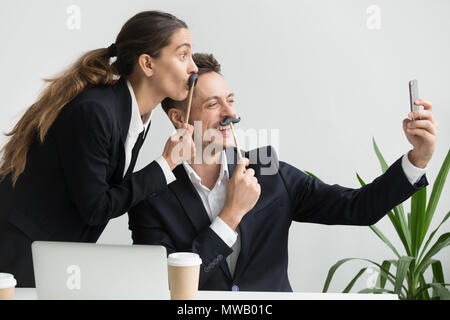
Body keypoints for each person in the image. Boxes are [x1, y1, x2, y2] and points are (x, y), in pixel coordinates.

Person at [128, 53, 437, 292]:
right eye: (213, 104)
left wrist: (417, 159)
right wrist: (230, 216)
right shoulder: (151, 196)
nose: (230, 114)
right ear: (179, 117)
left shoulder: (267, 171)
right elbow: (166, 287)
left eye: (231, 101)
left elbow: (357, 207)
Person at [0, 11, 198, 287]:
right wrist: (166, 164)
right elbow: (96, 207)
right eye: (182, 55)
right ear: (147, 64)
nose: (193, 68)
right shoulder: (95, 112)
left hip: (52, 256)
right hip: (17, 254)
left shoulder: (135, 118)